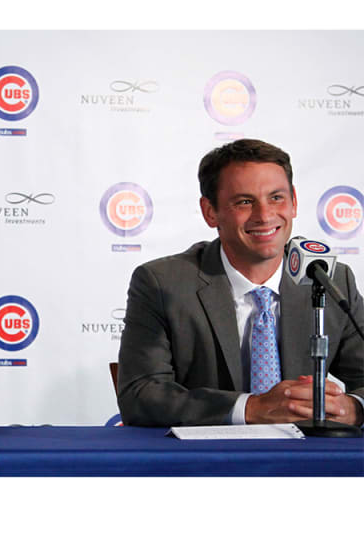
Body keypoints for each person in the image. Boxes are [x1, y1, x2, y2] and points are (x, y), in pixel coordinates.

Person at [117, 139, 364, 427]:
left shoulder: (328, 279)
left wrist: (353, 408)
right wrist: (253, 408)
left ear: (294, 202)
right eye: (245, 202)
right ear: (210, 212)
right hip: (205, 463)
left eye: (276, 198)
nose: (265, 215)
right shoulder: (163, 283)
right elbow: (140, 395)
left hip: (305, 462)